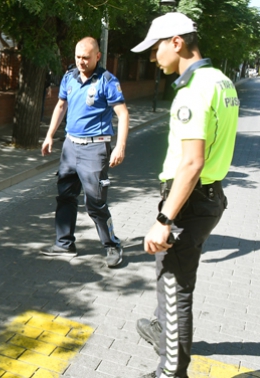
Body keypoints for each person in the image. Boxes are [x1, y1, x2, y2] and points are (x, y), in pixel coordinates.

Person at [131, 13, 238, 378]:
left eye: (156, 48)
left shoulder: (193, 90)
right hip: (210, 198)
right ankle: (163, 332)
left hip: (188, 200)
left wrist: (164, 220)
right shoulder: (222, 81)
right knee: (173, 285)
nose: (152, 58)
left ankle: (171, 373)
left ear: (176, 42)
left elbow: (192, 162)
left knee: (176, 293)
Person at [40, 36, 129, 268]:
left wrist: (119, 146)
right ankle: (64, 243)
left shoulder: (107, 81)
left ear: (97, 57)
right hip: (70, 146)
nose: (81, 61)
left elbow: (123, 113)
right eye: (78, 57)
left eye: (86, 58)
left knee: (95, 202)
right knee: (66, 195)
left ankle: (112, 245)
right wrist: (50, 135)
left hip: (95, 147)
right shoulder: (69, 77)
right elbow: (61, 106)